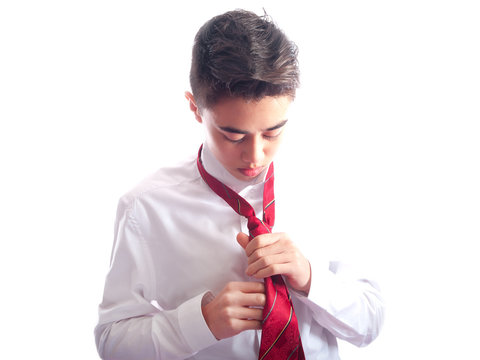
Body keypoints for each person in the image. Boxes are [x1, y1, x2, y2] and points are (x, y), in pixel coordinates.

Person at [94, 9, 384, 360]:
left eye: (273, 132)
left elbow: (370, 323)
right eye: (233, 135)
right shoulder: (145, 208)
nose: (256, 156)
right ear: (195, 108)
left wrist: (310, 278)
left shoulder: (326, 187)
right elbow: (111, 342)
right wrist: (200, 323)